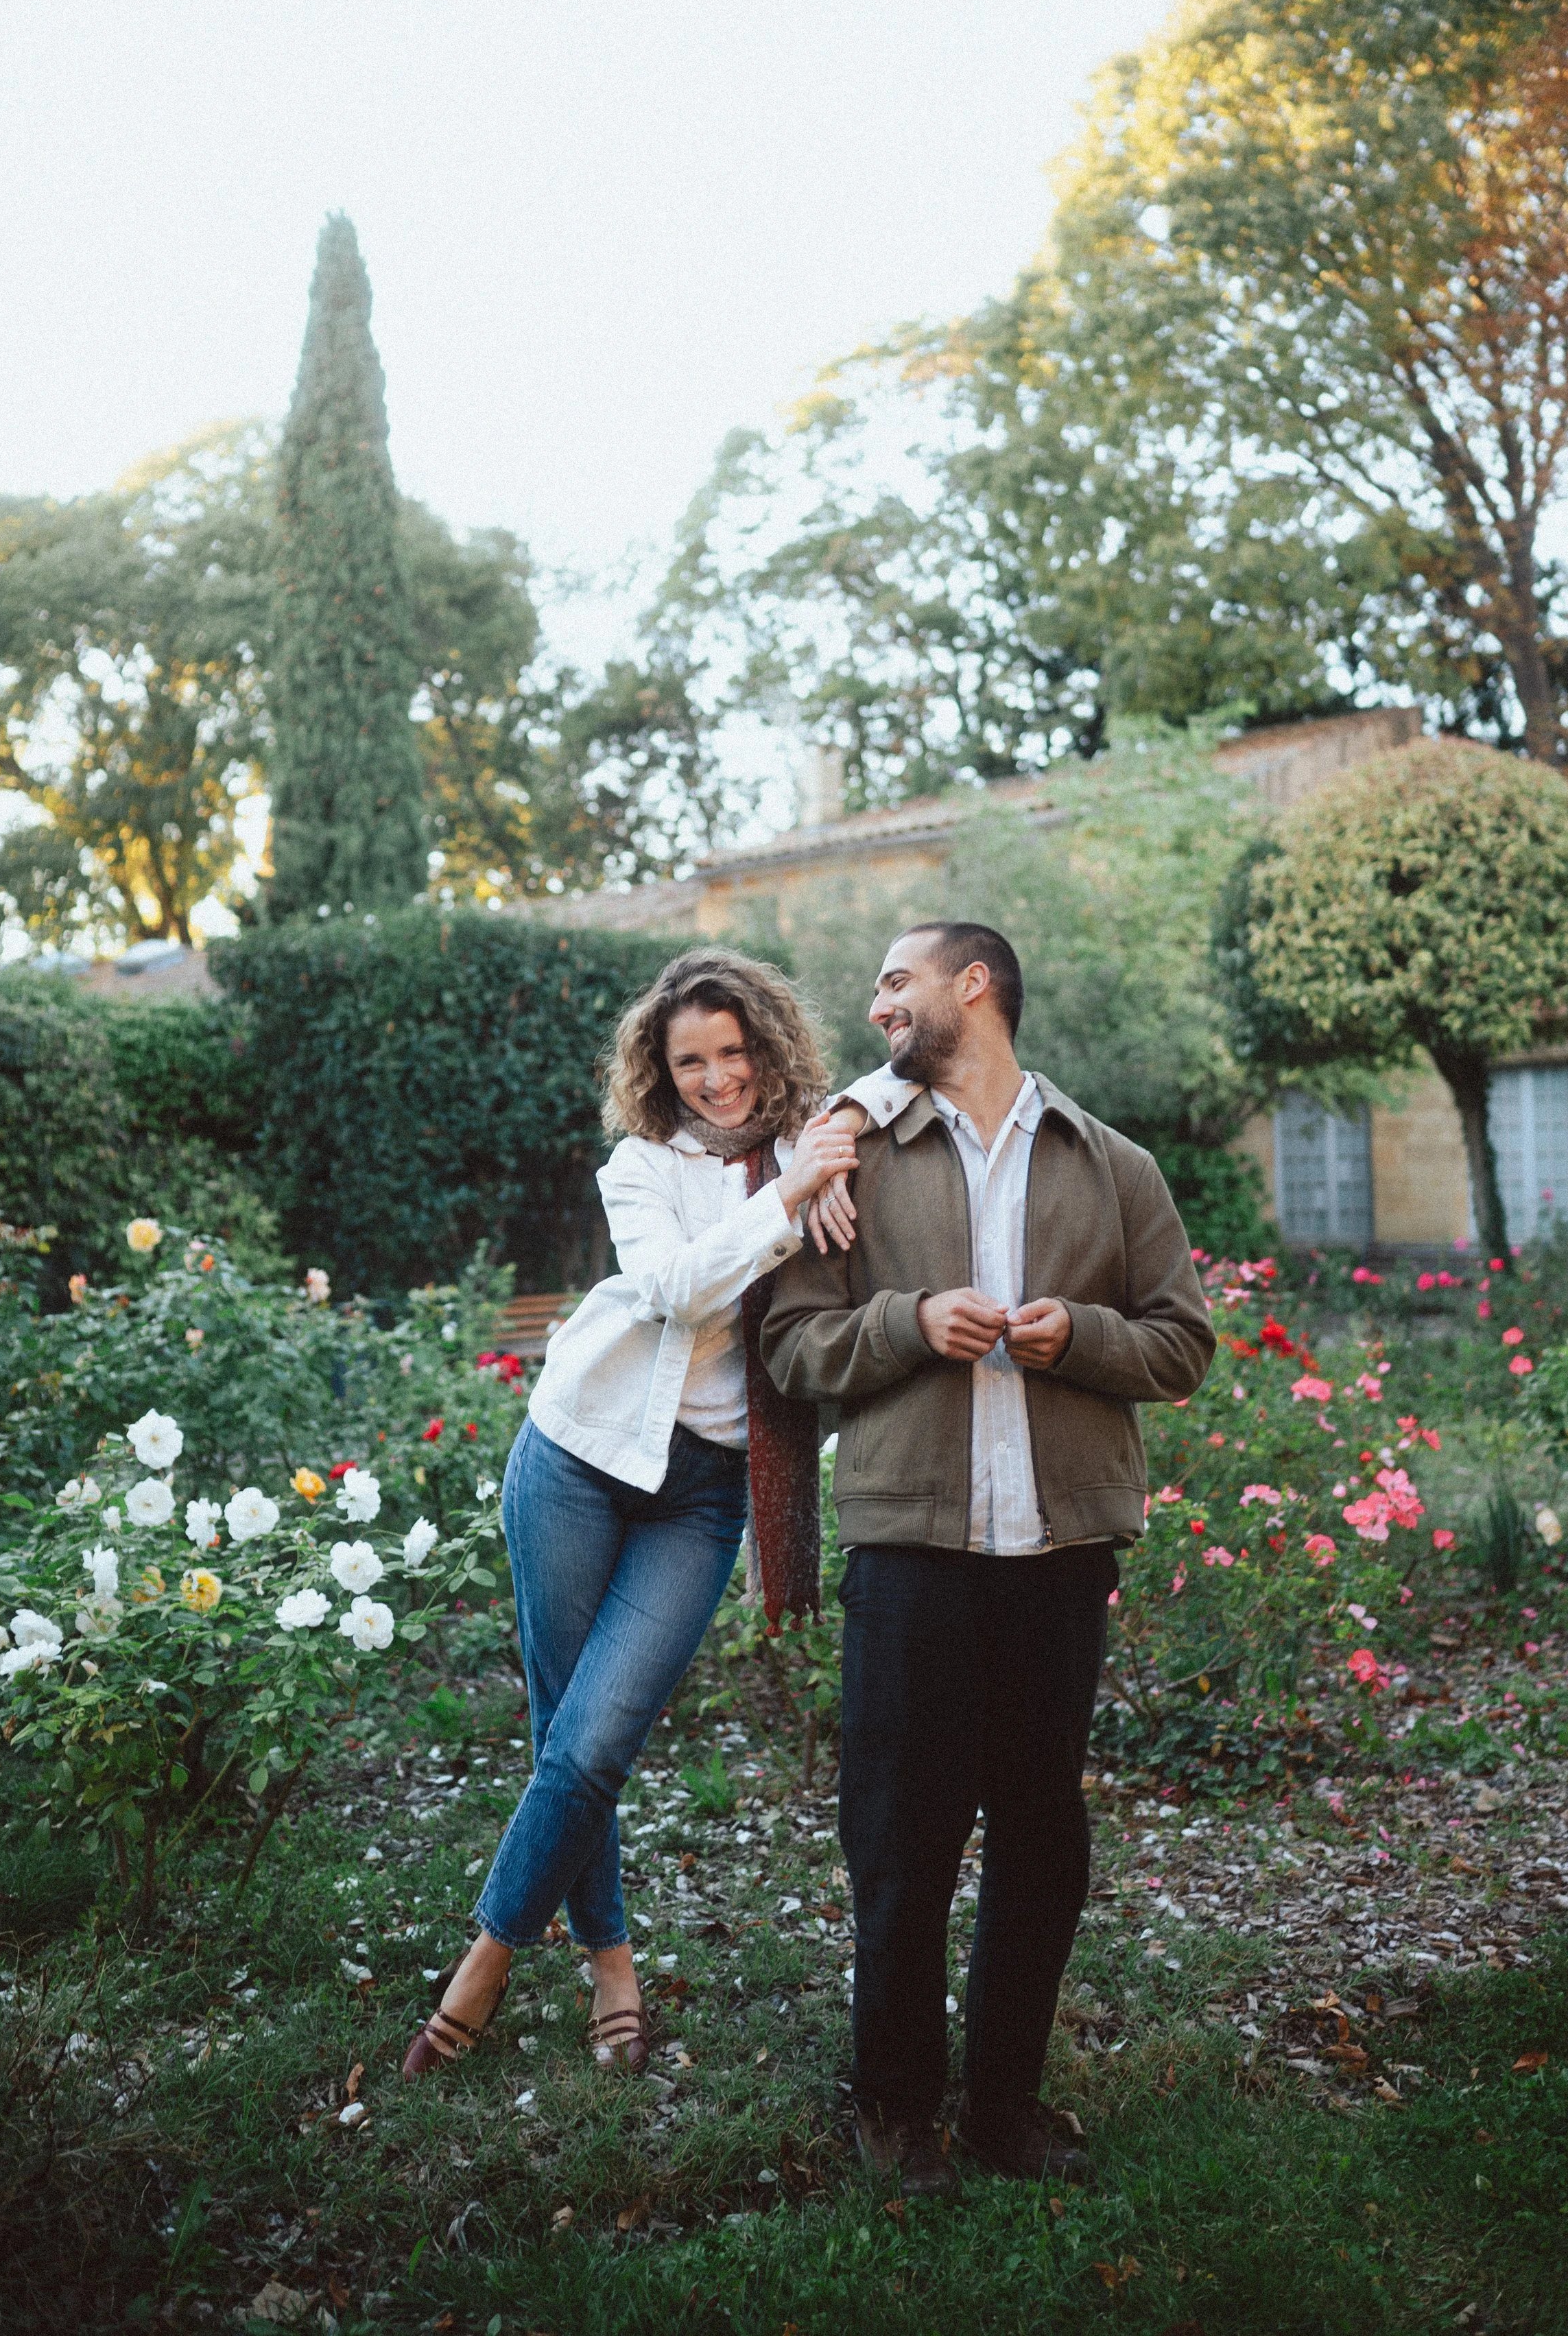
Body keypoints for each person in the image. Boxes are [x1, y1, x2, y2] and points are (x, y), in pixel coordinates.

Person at [762, 921, 1215, 2195]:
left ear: (975, 986)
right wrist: (909, 1323)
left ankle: (1006, 2104)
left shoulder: (1110, 1163)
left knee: (1038, 1838)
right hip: (913, 1552)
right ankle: (898, 2110)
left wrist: (1078, 1336)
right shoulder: (851, 1159)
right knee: (901, 1841)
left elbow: (1183, 1344)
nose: (876, 1006)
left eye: (895, 981)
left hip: (1060, 1555)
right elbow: (792, 1350)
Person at [403, 947, 864, 2082]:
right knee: (570, 1735)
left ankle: (486, 1959)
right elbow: (674, 1290)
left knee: (598, 1735)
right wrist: (790, 1199)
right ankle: (610, 1958)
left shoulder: (822, 1151)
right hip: (577, 1453)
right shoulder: (642, 1166)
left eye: (734, 1052)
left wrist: (820, 1167)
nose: (717, 1080)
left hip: (701, 1497)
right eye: (691, 1061)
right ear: (662, 1073)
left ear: (770, 1044)